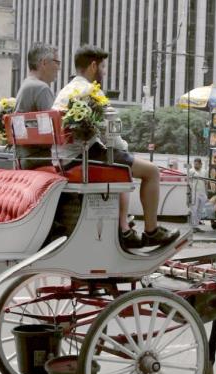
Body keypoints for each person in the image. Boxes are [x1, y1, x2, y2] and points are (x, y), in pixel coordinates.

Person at [53, 44, 179, 249]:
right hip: (85, 157)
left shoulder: (66, 90)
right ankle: (152, 231)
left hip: (64, 159)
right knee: (151, 171)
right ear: (93, 66)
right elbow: (112, 135)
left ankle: (123, 230)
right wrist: (125, 150)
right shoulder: (90, 91)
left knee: (123, 168)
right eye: (102, 67)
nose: (103, 72)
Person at [14, 42, 61, 169]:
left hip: (24, 159)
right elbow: (57, 130)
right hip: (39, 162)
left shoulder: (27, 84)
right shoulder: (41, 88)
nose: (59, 67)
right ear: (44, 63)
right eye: (57, 62)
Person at [189, 158, 207, 232]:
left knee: (200, 210)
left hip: (202, 192)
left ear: (200, 164)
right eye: (194, 164)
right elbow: (189, 181)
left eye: (197, 164)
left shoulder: (204, 171)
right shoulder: (191, 171)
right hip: (194, 192)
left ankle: (196, 226)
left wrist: (206, 193)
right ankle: (192, 226)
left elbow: (206, 182)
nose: (195, 165)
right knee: (194, 209)